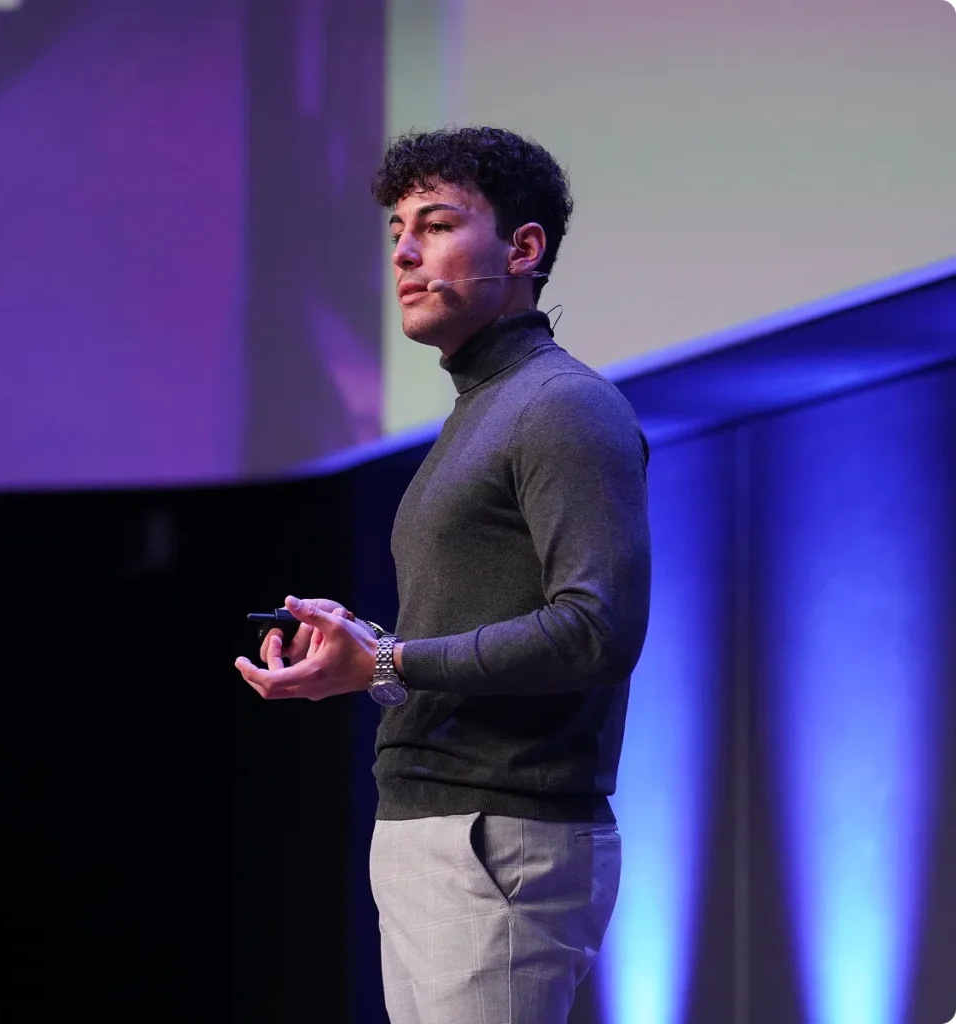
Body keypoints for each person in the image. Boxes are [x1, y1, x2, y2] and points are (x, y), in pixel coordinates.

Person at [235, 126, 651, 1023]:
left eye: (437, 224)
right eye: (397, 231)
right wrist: (368, 651)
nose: (404, 253)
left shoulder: (564, 406)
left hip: (499, 834)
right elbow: (471, 633)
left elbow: (597, 630)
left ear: (523, 249)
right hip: (433, 828)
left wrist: (392, 662)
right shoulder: (481, 412)